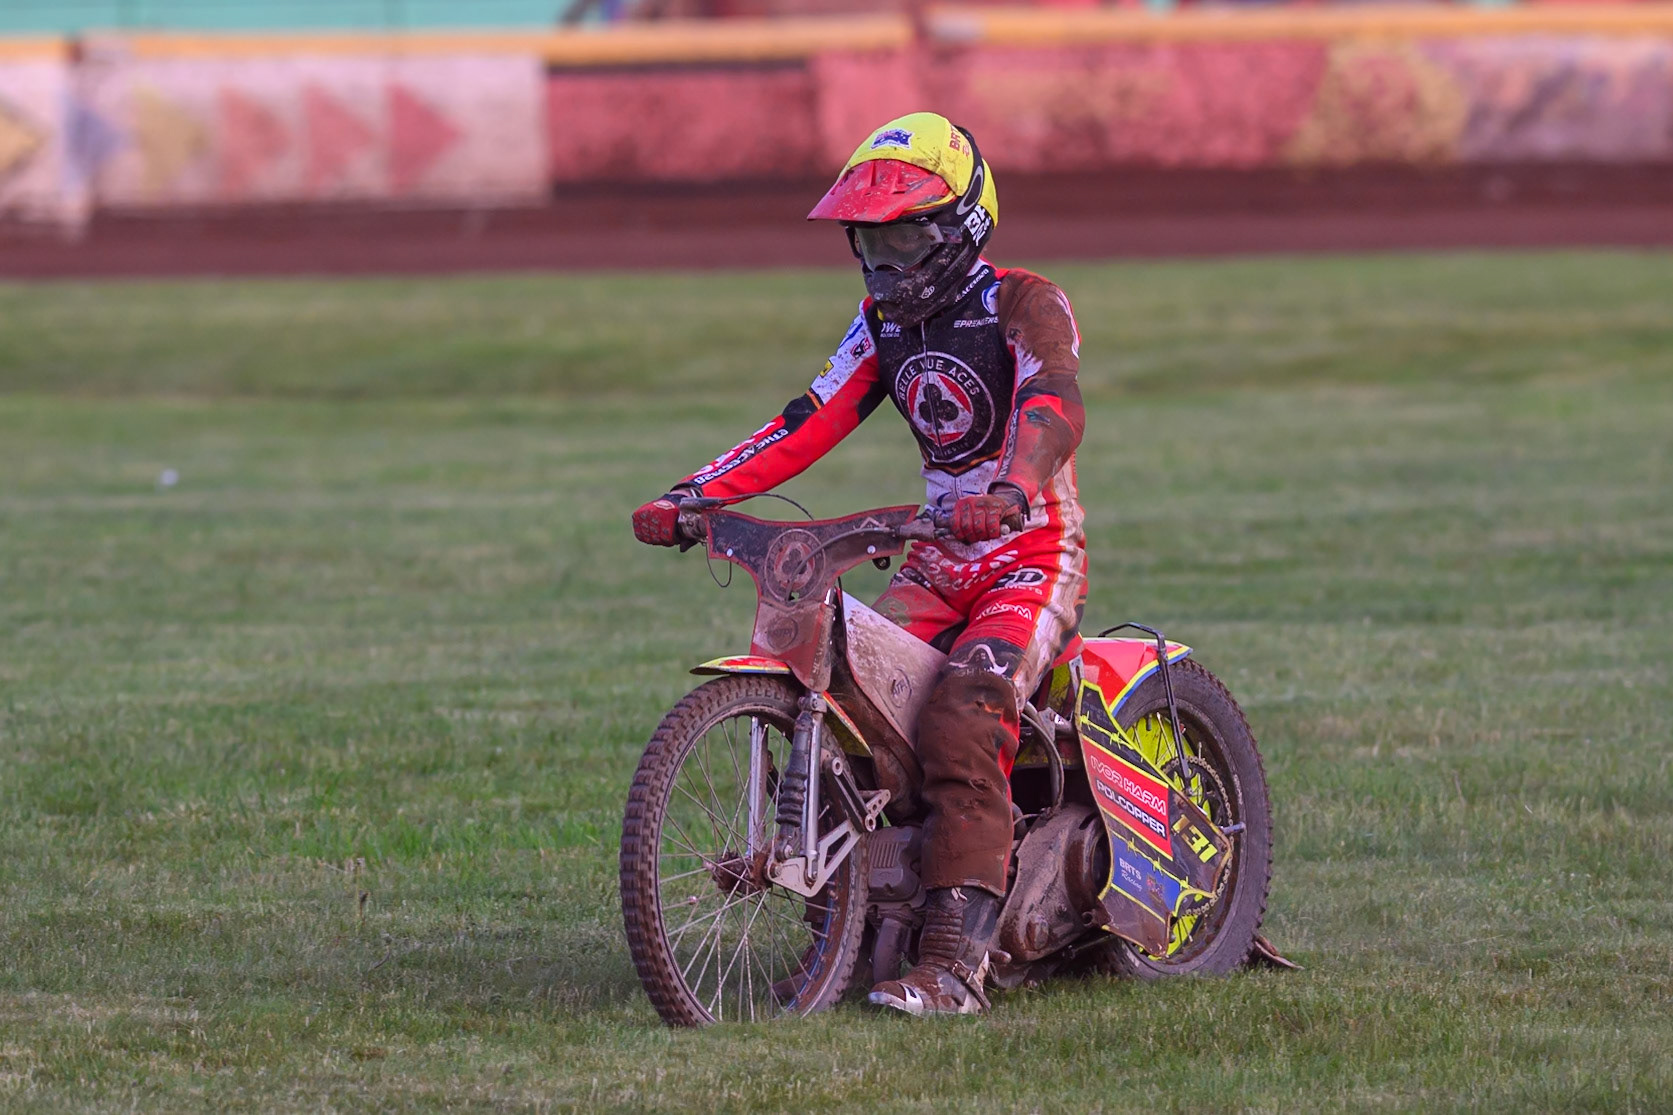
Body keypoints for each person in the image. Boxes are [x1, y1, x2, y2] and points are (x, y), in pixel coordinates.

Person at [631, 111, 1087, 1016]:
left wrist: (1010, 484)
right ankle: (845, 929)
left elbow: (1053, 398)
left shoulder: (1022, 300)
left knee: (963, 715)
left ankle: (955, 961)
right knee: (846, 702)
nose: (886, 266)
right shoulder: (881, 323)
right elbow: (808, 419)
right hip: (935, 560)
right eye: (869, 246)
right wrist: (695, 497)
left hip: (1028, 555)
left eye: (906, 238)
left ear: (962, 227)